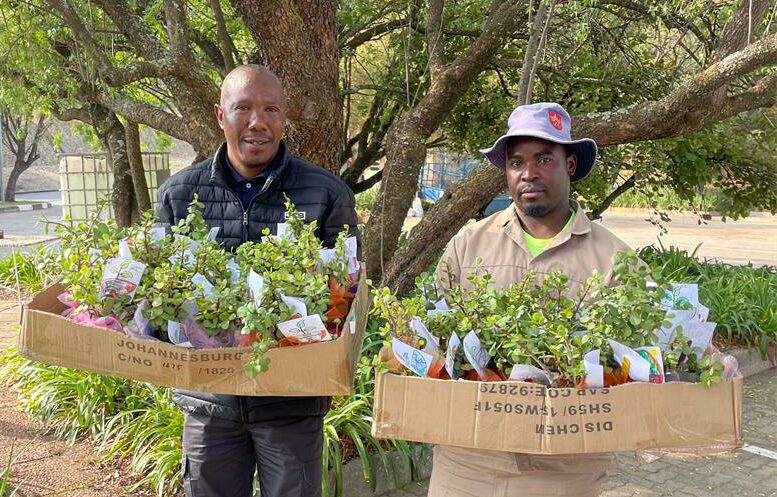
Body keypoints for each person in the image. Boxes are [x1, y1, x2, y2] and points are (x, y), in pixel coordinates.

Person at [155, 64, 358, 497]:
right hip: (209, 403)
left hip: (291, 405)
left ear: (284, 118)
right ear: (219, 114)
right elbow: (157, 297)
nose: (257, 122)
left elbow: (347, 297)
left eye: (271, 110)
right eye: (242, 108)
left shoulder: (325, 194)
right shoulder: (179, 195)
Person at [431, 102, 631, 497]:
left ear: (570, 165)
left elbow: (645, 357)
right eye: (516, 162)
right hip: (468, 461)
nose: (528, 173)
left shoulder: (616, 260)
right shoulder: (469, 244)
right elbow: (434, 333)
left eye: (544, 158)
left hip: (566, 467)